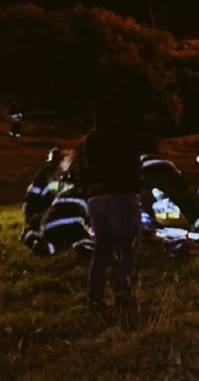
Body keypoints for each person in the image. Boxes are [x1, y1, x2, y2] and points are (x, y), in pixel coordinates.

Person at [78, 97, 143, 309]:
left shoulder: (88, 140)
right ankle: (122, 293)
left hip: (96, 200)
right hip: (121, 196)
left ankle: (94, 296)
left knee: (102, 249)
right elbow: (134, 164)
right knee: (127, 247)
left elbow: (81, 172)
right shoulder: (124, 137)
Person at [30, 172, 94, 256]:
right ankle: (83, 245)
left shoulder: (60, 196)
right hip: (71, 226)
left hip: (48, 227)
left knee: (57, 243)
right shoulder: (84, 195)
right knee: (80, 237)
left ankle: (47, 247)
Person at [21, 147, 74, 247]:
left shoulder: (58, 175)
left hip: (38, 210)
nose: (69, 163)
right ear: (60, 161)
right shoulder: (49, 176)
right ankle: (32, 233)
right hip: (36, 211)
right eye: (67, 160)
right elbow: (52, 199)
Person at [140, 152, 199, 230]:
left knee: (145, 201)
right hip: (165, 168)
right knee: (182, 201)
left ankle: (149, 225)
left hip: (152, 169)